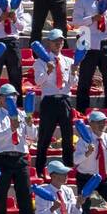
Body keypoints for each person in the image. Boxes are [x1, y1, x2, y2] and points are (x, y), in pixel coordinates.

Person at [0, 85, 36, 214]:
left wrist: (29, 123)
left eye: (14, 96)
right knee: (1, 196)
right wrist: (11, 129)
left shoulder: (22, 114)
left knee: (25, 196)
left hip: (20, 158)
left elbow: (33, 136)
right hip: (3, 158)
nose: (11, 99)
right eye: (7, 96)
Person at [34, 29, 76, 174]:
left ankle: (68, 165)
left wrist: (75, 72)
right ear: (49, 43)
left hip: (64, 99)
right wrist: (48, 71)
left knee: (67, 135)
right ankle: (39, 168)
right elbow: (38, 81)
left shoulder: (69, 61)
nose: (58, 43)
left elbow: (72, 83)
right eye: (55, 41)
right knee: (45, 136)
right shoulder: (40, 61)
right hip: (49, 101)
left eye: (60, 41)